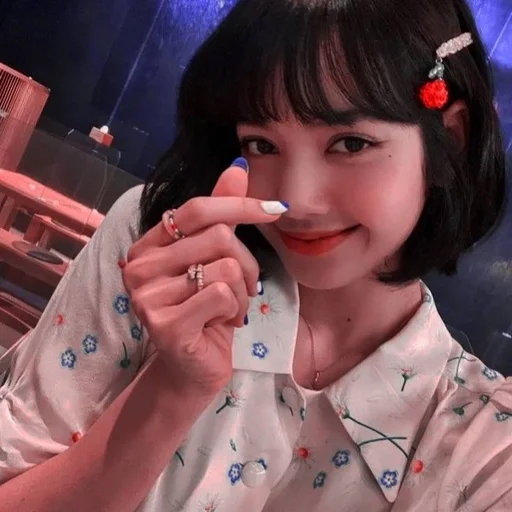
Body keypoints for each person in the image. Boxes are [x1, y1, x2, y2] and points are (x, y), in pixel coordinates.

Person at [0, 0, 509, 510]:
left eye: (351, 144)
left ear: (450, 138)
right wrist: (174, 388)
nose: (297, 200)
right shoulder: (163, 248)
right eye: (262, 145)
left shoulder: (479, 445)